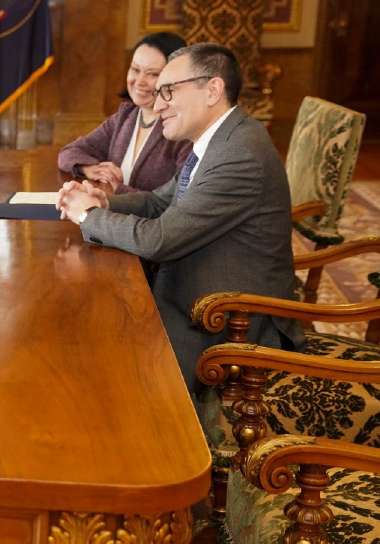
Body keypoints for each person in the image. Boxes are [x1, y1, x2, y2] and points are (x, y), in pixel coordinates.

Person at [57, 43, 301, 395]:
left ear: (213, 90)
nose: (157, 105)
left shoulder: (238, 154)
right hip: (195, 295)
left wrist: (88, 215)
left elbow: (160, 240)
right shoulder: (217, 138)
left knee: (107, 368)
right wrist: (106, 202)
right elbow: (159, 201)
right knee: (90, 331)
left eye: (168, 91)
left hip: (230, 322)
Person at [58, 32, 192, 193]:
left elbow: (178, 201)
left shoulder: (184, 130)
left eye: (153, 74)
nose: (139, 81)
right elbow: (68, 153)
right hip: (111, 216)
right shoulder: (126, 115)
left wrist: (119, 190)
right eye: (135, 69)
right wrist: (90, 168)